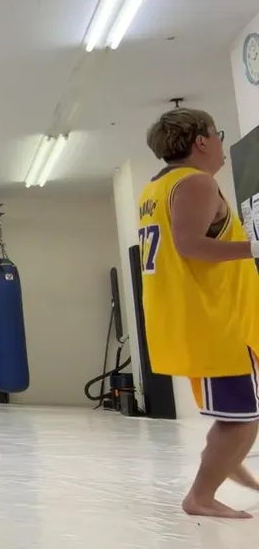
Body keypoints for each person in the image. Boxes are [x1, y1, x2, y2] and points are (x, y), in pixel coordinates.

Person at [138, 108, 259, 519]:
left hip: (207, 316)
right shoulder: (195, 183)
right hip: (212, 320)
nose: (221, 143)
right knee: (240, 420)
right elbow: (190, 245)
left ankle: (226, 459)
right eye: (217, 133)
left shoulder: (157, 188)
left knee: (241, 414)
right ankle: (201, 496)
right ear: (201, 141)